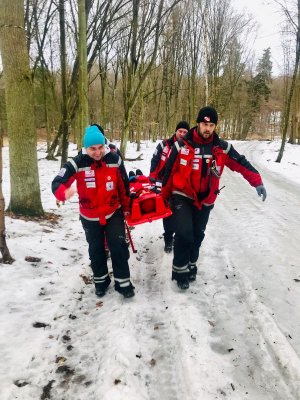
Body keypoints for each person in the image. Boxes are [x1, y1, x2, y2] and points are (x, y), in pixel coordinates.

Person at [161, 106, 267, 290]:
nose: (207, 128)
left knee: (197, 235)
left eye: (211, 125)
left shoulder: (222, 148)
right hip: (182, 196)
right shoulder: (181, 145)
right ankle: (180, 271)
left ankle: (191, 265)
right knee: (184, 234)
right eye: (204, 124)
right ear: (198, 124)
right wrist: (163, 196)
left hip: (206, 199)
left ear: (215, 126)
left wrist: (257, 181)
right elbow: (168, 173)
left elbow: (241, 163)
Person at [52, 125, 135, 298]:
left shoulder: (114, 159)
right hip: (90, 216)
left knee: (118, 246)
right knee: (96, 250)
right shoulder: (78, 162)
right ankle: (101, 282)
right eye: (93, 149)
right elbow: (58, 181)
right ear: (86, 148)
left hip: (113, 212)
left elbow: (124, 185)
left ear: (104, 145)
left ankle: (123, 283)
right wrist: (63, 192)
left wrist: (126, 208)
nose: (97, 152)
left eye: (100, 148)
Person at [149, 121, 190, 252]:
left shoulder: (188, 146)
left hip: (179, 186)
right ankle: (168, 239)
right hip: (164, 183)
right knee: (167, 213)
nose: (182, 134)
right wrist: (153, 180)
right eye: (180, 131)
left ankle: (179, 238)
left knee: (180, 213)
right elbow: (155, 161)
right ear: (176, 131)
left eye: (185, 132)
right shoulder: (163, 145)